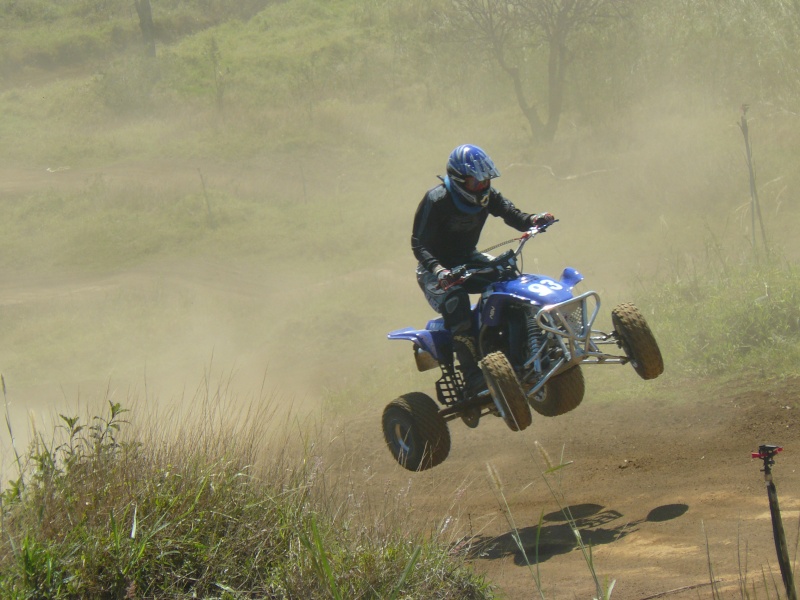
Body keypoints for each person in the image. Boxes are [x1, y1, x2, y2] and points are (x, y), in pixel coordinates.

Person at [411, 144, 554, 400]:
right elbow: (418, 243)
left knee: (508, 275)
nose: (482, 185)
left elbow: (511, 214)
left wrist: (533, 220)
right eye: (476, 181)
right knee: (457, 300)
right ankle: (472, 376)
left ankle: (525, 346)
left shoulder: (488, 196)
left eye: (486, 179)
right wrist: (439, 270)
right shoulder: (436, 200)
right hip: (435, 270)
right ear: (458, 181)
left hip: (469, 258)